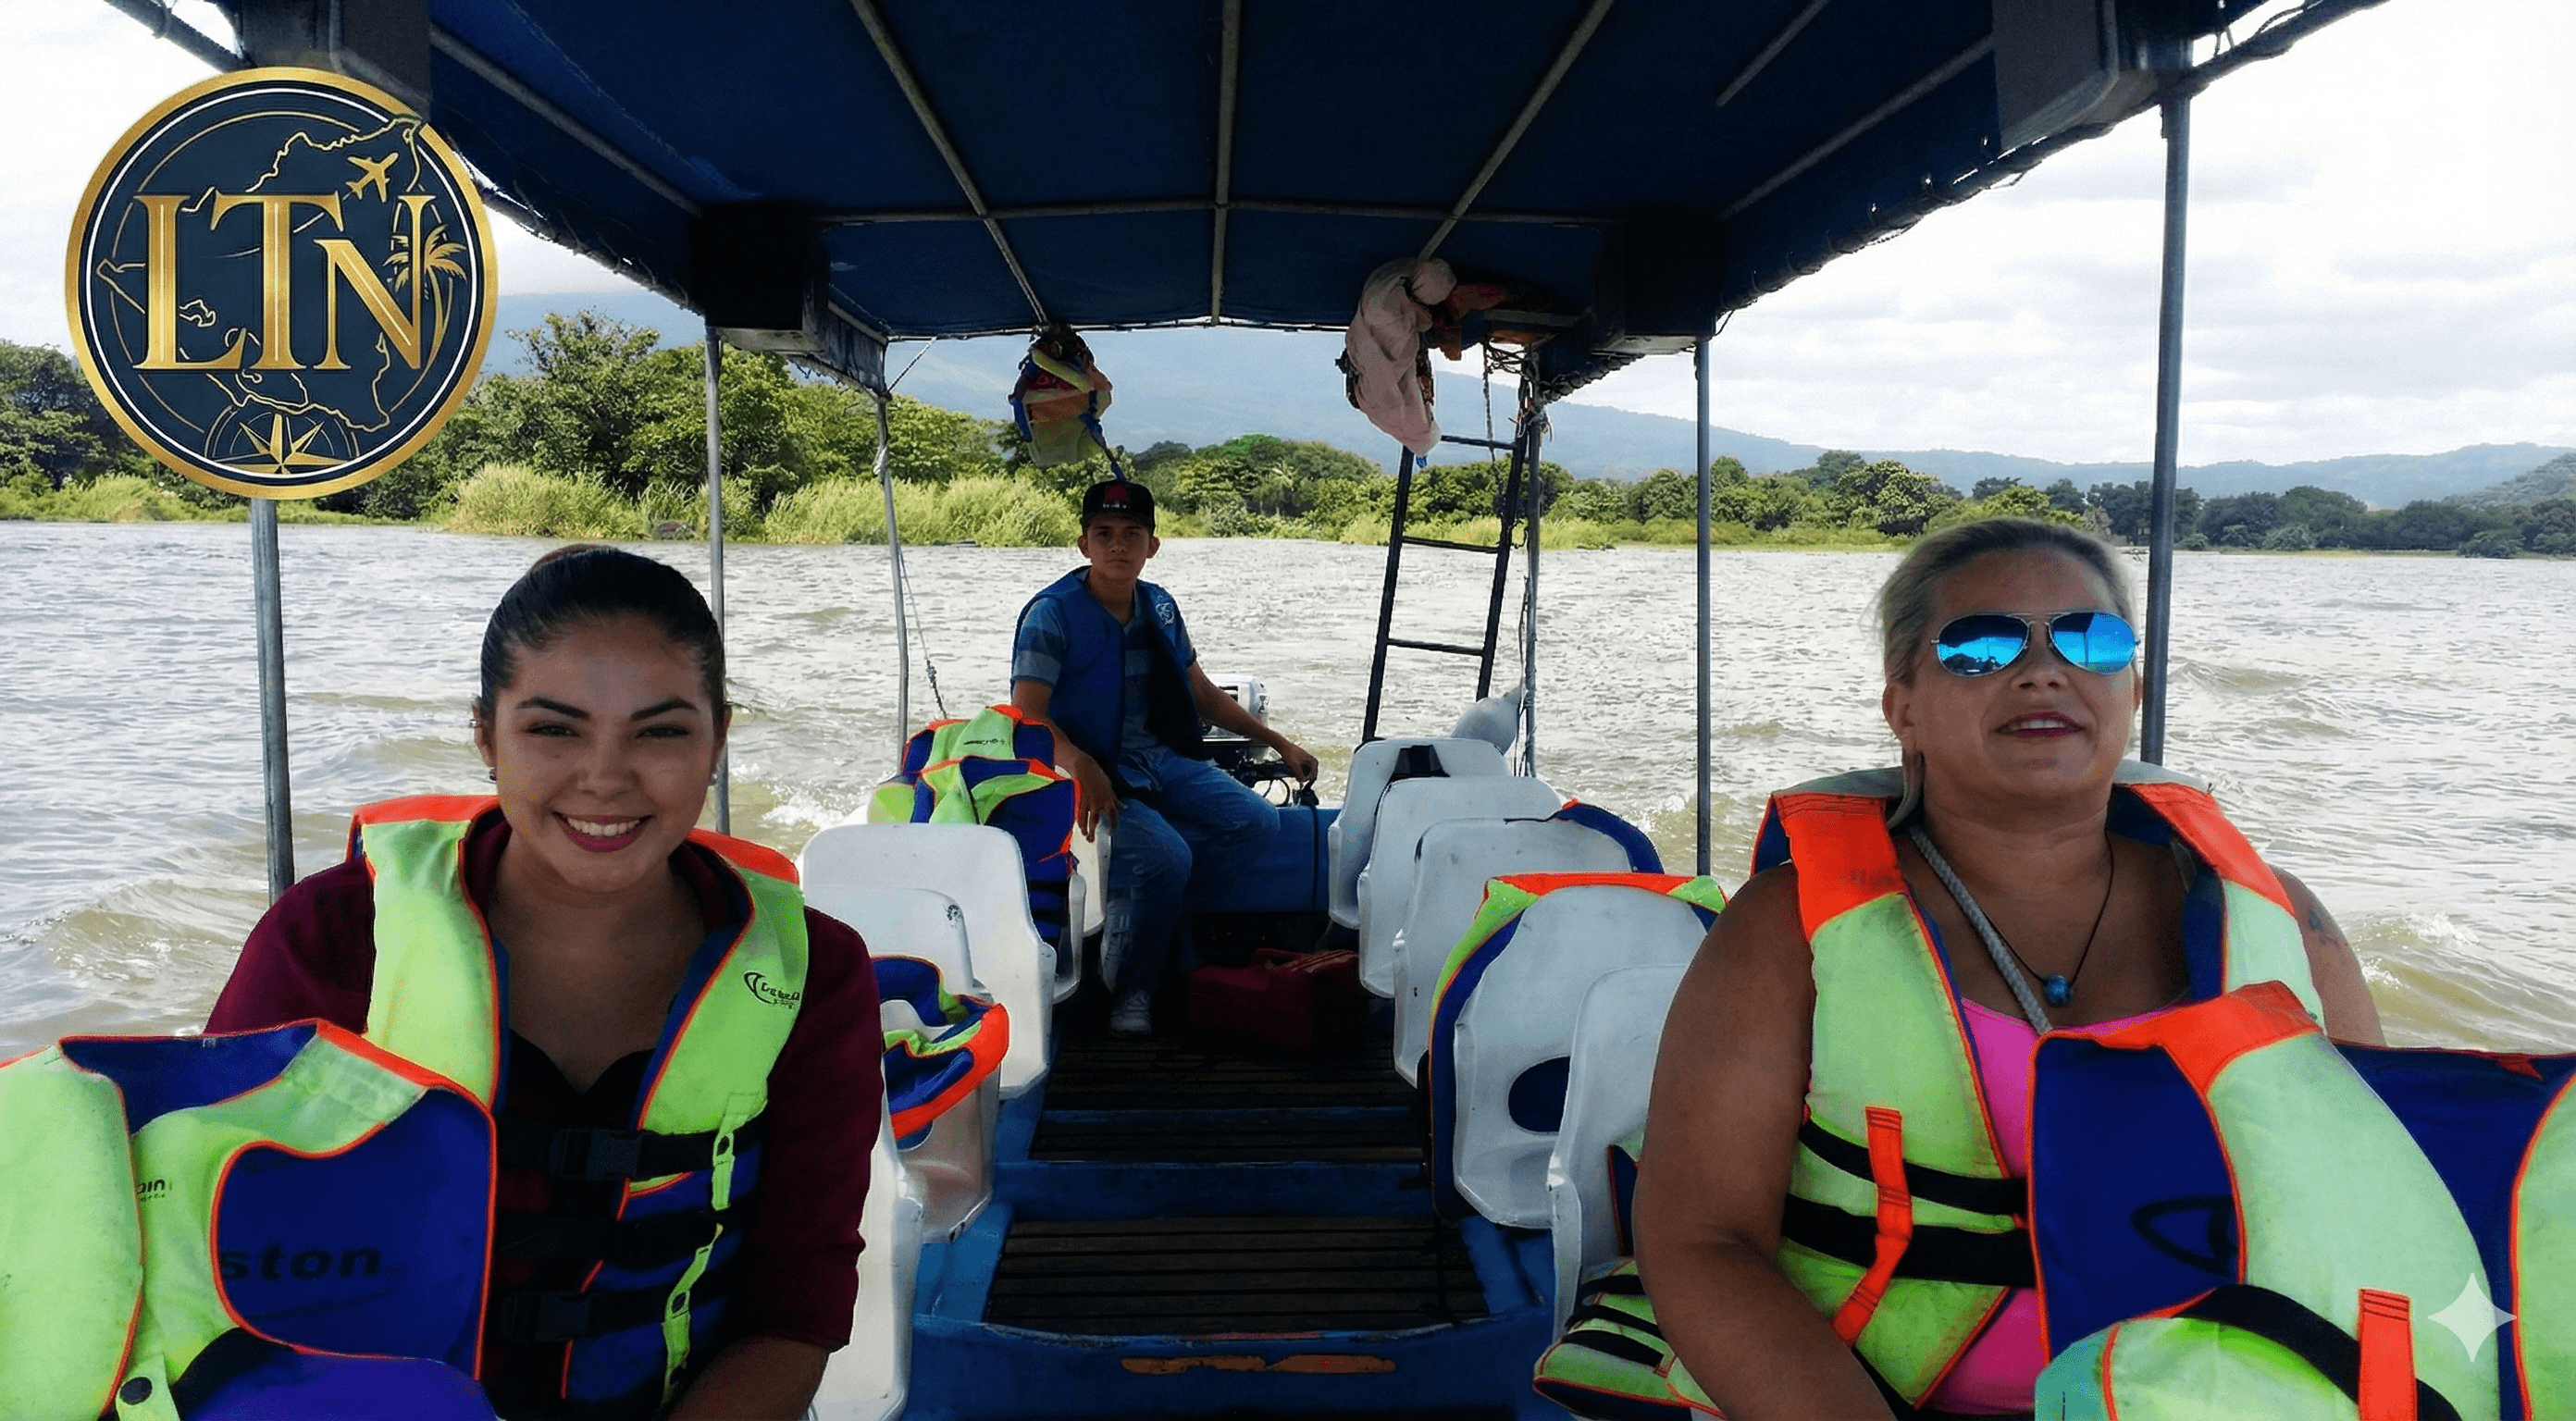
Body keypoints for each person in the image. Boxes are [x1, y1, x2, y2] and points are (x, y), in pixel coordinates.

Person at [1632, 518, 2382, 1419]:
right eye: (1979, 646)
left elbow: (2378, 1205)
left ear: (2132, 688)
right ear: (1902, 705)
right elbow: (1701, 1240)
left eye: (2090, 638)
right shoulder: (1785, 928)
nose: (2042, 669)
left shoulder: (2283, 922)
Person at [208, 545, 882, 1421]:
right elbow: (204, 1249)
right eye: (554, 729)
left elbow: (795, 1307)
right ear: (486, 735)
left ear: (718, 738)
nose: (605, 777)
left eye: (662, 730)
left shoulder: (814, 976)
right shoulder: (333, 941)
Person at [1010, 478, 1319, 1035]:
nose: (1118, 546)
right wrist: (1083, 766)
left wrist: (1277, 740)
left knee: (1256, 822)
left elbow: (1201, 692)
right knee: (1166, 858)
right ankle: (1135, 986)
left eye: (1132, 535)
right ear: (1083, 544)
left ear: (1153, 546)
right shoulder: (1051, 615)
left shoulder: (1159, 607)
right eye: (1103, 534)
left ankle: (1156, 917)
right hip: (1080, 768)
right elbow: (1027, 718)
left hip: (1157, 756)